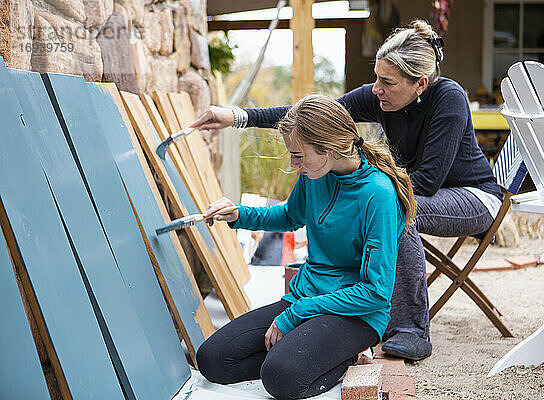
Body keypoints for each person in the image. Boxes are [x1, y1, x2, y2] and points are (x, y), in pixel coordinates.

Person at [191, 19, 503, 361]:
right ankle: (359, 302)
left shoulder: (449, 98)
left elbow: (425, 182)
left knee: (398, 207)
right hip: (427, 193)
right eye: (376, 78)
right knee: (393, 203)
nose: (376, 89)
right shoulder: (382, 99)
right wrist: (237, 117)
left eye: (387, 82)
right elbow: (311, 118)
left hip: (474, 197)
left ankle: (411, 329)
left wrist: (367, 200)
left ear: (420, 84)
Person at [195, 94, 415, 399]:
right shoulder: (315, 174)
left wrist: (297, 314)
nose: (292, 163)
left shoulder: (377, 195)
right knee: (212, 359)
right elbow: (289, 214)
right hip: (307, 296)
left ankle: (343, 355)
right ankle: (295, 358)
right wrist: (238, 214)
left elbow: (376, 292)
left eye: (298, 155)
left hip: (357, 314)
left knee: (281, 379)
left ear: (327, 149)